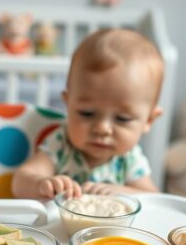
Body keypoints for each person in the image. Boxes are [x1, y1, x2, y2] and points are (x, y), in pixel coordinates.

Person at [12, 29, 164, 199]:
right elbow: (19, 182)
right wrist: (41, 183)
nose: (102, 128)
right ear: (68, 104)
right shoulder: (62, 145)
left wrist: (123, 192)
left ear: (149, 120)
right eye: (87, 113)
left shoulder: (129, 159)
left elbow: (155, 199)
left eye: (122, 118)